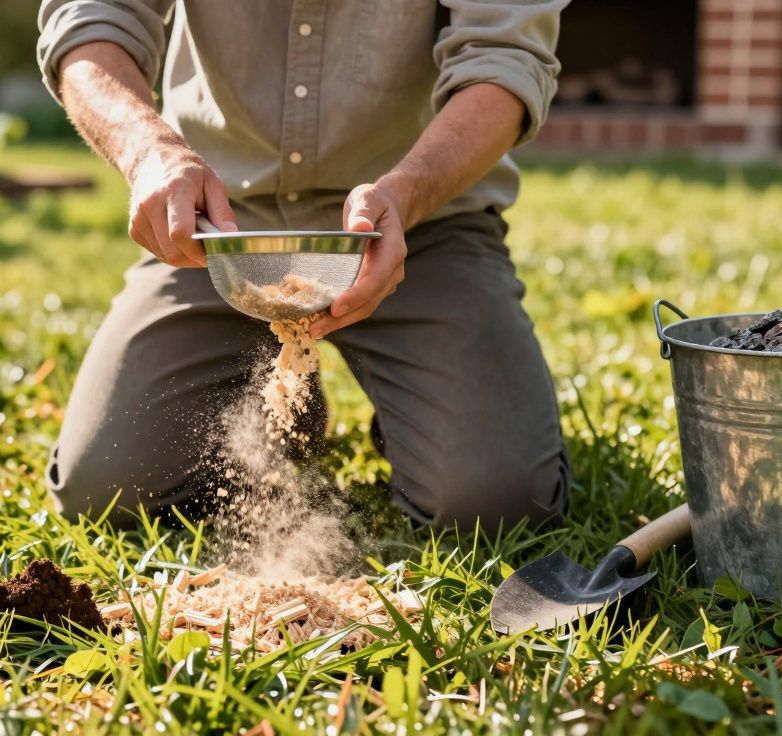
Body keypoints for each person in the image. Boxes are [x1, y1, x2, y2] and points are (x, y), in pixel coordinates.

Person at [38, 0, 571, 529]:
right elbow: (91, 18)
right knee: (103, 489)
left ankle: (415, 408)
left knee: (498, 502)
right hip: (221, 234)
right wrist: (148, 152)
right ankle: (284, 391)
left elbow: (505, 57)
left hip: (419, 224)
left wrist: (406, 193)